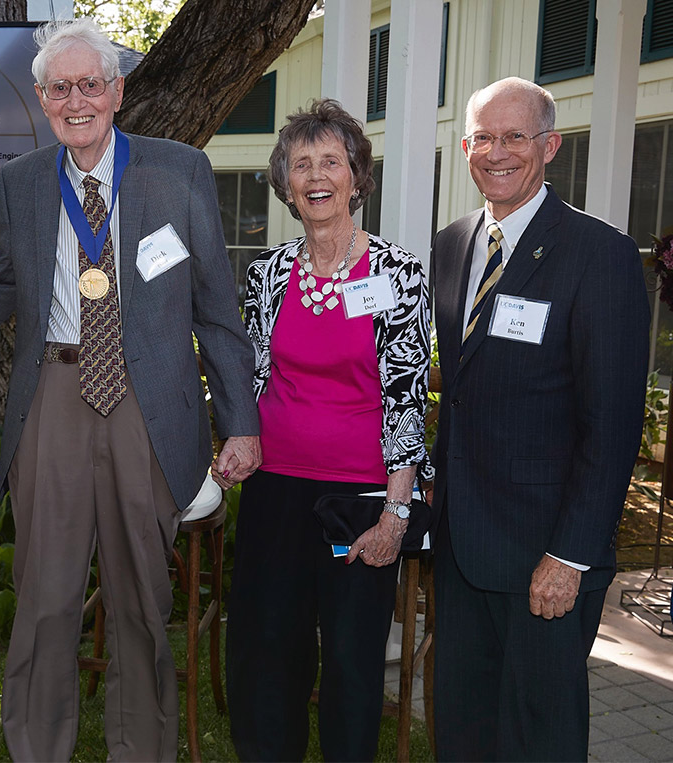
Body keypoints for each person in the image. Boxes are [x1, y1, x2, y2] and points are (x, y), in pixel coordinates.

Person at [0, 17, 261, 761]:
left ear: (118, 90)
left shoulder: (178, 171)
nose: (78, 100)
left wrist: (240, 421)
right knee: (43, 598)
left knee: (142, 601)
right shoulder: (22, 184)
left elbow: (216, 307)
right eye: (61, 88)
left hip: (149, 406)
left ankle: (142, 751)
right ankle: (38, 748)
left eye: (91, 84)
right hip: (55, 402)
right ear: (43, 99)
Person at [431, 77, 649, 761]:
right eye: (483, 137)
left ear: (549, 145)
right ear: (466, 146)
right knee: (462, 728)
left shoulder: (599, 255)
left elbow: (612, 423)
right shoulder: (451, 244)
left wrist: (570, 554)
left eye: (515, 136)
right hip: (463, 549)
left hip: (545, 556)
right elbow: (461, 392)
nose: (496, 152)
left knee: (537, 737)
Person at [227, 99, 431, 761]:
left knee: (350, 661)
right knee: (267, 656)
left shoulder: (399, 275)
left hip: (359, 504)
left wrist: (396, 515)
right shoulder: (265, 275)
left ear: (355, 178)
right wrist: (234, 437)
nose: (317, 174)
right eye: (302, 162)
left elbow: (406, 401)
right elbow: (249, 381)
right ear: (286, 183)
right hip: (275, 494)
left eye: (331, 161)